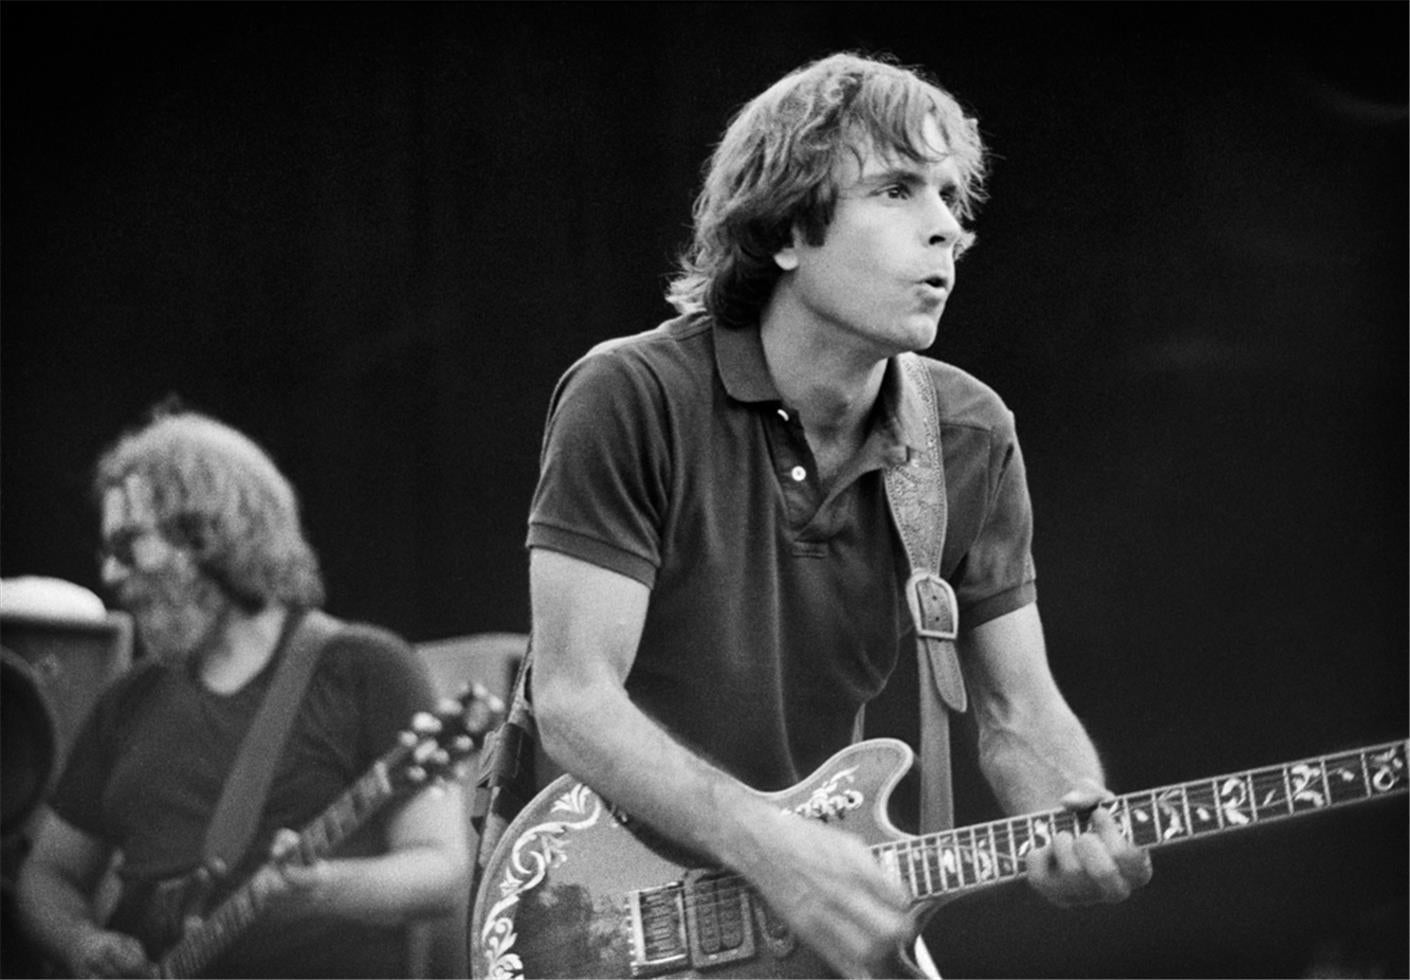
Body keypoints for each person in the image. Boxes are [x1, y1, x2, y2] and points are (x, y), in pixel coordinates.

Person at [523, 52, 1153, 978]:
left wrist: (1078, 819)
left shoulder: (969, 433)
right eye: (897, 189)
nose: (947, 228)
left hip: (799, 926)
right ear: (787, 230)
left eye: (951, 196)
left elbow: (1018, 711)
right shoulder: (630, 394)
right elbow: (574, 701)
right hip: (601, 915)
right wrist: (773, 848)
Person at [16, 406, 469, 978]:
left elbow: (441, 869)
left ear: (207, 534)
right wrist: (80, 942)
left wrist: (325, 887)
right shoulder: (125, 701)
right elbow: (47, 875)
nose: (110, 574)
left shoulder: (366, 667)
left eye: (128, 544)